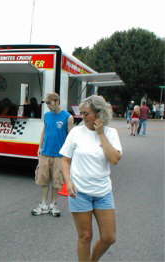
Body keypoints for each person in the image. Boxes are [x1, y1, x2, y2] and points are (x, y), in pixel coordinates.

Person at [59, 95, 122, 262]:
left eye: (86, 113)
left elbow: (114, 159)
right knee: (85, 236)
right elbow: (65, 160)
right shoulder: (76, 132)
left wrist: (101, 134)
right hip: (79, 192)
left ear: (99, 114)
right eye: (81, 113)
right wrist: (68, 181)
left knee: (109, 237)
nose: (82, 117)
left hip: (103, 192)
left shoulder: (111, 133)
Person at [31, 93, 73, 217]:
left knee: (57, 181)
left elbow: (71, 137)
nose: (48, 106)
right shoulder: (47, 115)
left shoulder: (68, 117)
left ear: (56, 101)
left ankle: (53, 204)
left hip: (60, 155)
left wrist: (69, 154)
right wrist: (40, 146)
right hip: (45, 152)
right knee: (43, 179)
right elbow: (44, 131)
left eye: (49, 103)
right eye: (46, 103)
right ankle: (43, 204)